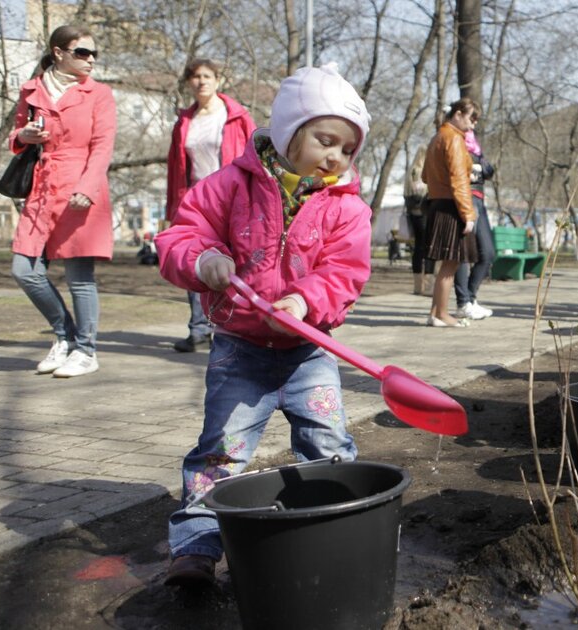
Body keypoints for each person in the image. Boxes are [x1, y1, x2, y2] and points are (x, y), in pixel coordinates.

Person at [156, 63, 372, 586]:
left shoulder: (345, 208)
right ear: (289, 131)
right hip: (239, 351)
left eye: (347, 149)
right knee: (219, 451)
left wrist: (305, 300)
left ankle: (337, 528)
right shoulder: (228, 185)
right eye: (326, 140)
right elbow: (180, 236)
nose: (336, 157)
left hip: (308, 352)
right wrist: (203, 259)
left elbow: (345, 271)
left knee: (328, 443)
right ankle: (198, 543)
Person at [9, 25, 116, 378]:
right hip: (42, 188)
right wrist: (23, 135)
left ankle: (86, 350)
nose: (90, 60)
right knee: (24, 269)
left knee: (79, 276)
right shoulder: (32, 90)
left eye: (93, 54)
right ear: (59, 53)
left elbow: (102, 145)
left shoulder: (99, 94)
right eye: (82, 52)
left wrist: (87, 186)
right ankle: (65, 337)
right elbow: (17, 133)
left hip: (80, 188)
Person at [164, 58, 257, 353]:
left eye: (207, 76)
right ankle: (198, 329)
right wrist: (173, 208)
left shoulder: (237, 117)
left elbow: (255, 159)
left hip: (231, 198)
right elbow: (175, 167)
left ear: (218, 80)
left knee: (235, 261)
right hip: (195, 198)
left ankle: (232, 323)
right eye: (195, 77)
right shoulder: (184, 121)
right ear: (189, 83)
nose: (201, 81)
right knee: (195, 257)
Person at [423, 98, 480, 327]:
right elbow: (458, 180)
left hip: (438, 202)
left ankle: (436, 313)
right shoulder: (454, 139)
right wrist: (468, 214)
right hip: (452, 206)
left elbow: (425, 176)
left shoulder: (437, 137)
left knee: (446, 264)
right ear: (458, 114)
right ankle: (442, 314)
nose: (473, 124)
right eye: (471, 117)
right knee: (451, 264)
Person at [452, 128, 496, 320]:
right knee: (464, 253)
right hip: (464, 199)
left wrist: (478, 167)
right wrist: (473, 169)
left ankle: (470, 297)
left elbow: (489, 170)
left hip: (479, 200)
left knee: (488, 253)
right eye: (471, 119)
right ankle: (463, 302)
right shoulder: (454, 143)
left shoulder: (476, 150)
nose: (472, 124)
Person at [404, 147, 434, 295]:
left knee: (418, 249)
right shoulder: (419, 171)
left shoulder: (410, 171)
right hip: (423, 213)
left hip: (412, 213)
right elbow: (420, 190)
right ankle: (427, 286)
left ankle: (418, 286)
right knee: (428, 248)